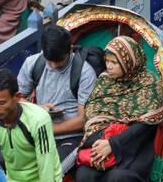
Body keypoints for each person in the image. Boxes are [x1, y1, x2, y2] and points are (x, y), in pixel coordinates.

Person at [74, 36, 163, 182]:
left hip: (134, 148)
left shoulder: (148, 83)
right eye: (107, 61)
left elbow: (146, 123)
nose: (109, 66)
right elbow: (93, 113)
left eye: (114, 62)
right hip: (101, 142)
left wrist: (114, 144)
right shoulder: (104, 81)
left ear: (129, 61)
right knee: (84, 175)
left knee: (119, 180)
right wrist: (101, 141)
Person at [16, 24, 100, 153]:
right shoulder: (32, 63)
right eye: (49, 61)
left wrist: (48, 129)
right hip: (38, 131)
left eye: (59, 61)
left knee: (55, 169)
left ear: (70, 50)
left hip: (70, 136)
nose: (54, 66)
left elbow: (83, 119)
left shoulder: (84, 73)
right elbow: (17, 99)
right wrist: (38, 109)